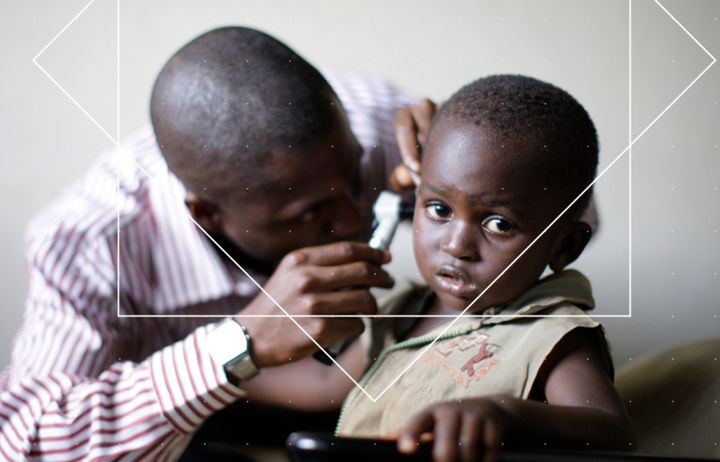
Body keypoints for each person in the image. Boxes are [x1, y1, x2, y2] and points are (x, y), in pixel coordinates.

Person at [0, 26, 432, 460]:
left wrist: (473, 153)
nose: (354, 217)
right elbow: (26, 444)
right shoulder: (89, 247)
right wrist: (239, 344)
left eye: (356, 178)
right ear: (206, 214)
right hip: (175, 423)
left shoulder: (376, 124)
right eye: (311, 213)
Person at [249, 74, 635, 461]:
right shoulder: (402, 312)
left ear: (564, 246)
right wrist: (220, 365)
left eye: (499, 224)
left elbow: (611, 431)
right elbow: (323, 383)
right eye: (439, 209)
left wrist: (504, 414)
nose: (455, 245)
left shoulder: (550, 333)